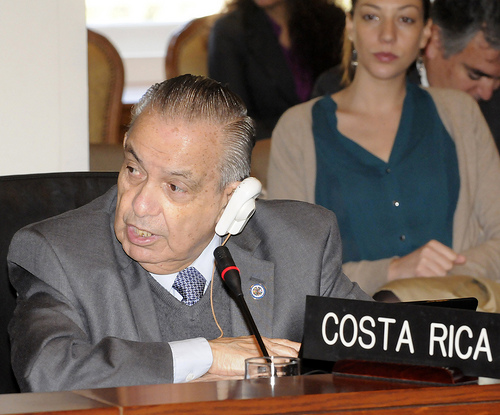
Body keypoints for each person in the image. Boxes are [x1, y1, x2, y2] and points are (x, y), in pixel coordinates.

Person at [7, 74, 369, 392]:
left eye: (174, 187)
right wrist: (206, 356)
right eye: (133, 169)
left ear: (230, 199)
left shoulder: (299, 245)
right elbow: (49, 374)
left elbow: (384, 357)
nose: (139, 205)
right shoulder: (59, 254)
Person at [267, 0, 500, 300]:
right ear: (351, 26)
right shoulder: (297, 129)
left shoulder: (461, 113)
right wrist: (391, 272)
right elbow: (291, 267)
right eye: (371, 16)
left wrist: (439, 277)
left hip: (457, 320)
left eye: (405, 19)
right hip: (346, 323)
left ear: (426, 33)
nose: (387, 35)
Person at [312, 0, 500, 151]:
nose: (487, 93)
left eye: (498, 79)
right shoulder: (337, 92)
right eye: (474, 75)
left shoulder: (493, 110)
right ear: (434, 40)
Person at [208, 0, 345, 141]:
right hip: (271, 146)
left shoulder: (332, 20)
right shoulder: (229, 32)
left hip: (336, 139)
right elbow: (233, 122)